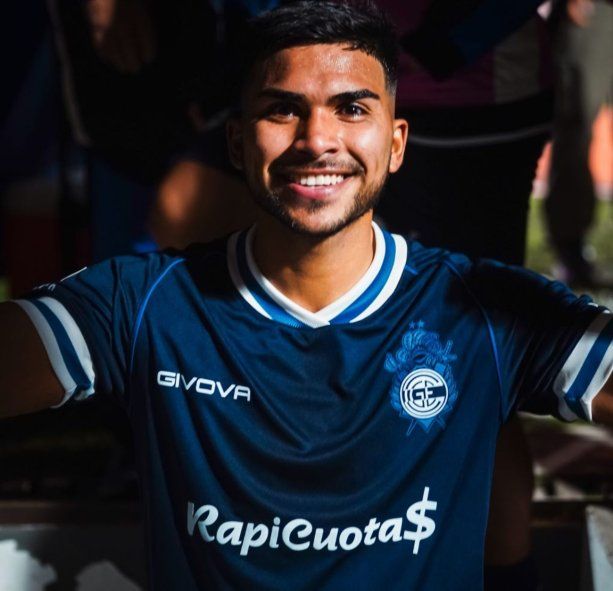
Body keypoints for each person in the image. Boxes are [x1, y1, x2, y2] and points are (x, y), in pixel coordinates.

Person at [1, 2, 613, 589]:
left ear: (396, 143)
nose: (317, 138)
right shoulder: (144, 305)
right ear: (237, 143)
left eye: (350, 108)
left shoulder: (482, 310)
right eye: (283, 110)